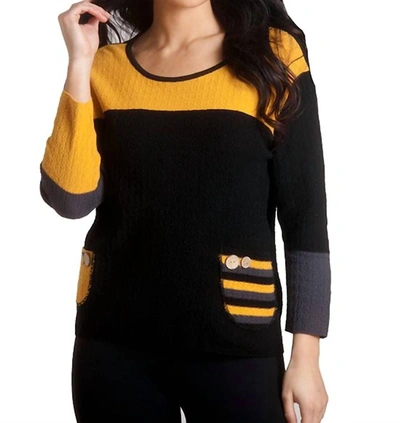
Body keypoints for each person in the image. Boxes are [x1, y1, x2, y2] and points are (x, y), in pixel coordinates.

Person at [39, 0, 331, 421]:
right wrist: (80, 64)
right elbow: (70, 199)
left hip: (236, 344)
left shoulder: (273, 55)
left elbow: (305, 215)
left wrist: (307, 355)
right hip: (113, 342)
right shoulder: (104, 66)